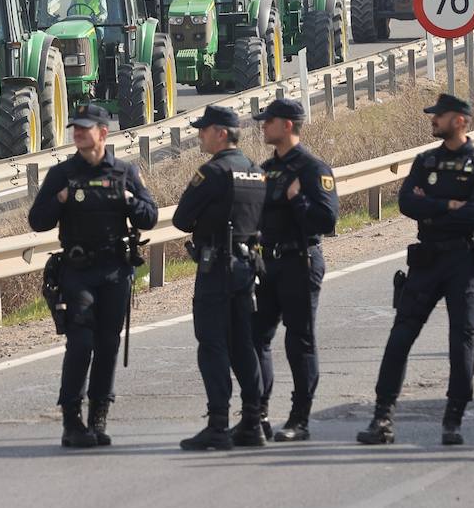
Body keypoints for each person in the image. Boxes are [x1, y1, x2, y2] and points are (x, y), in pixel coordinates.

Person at [358, 93, 474, 447]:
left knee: (461, 341)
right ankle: (382, 417)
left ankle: (453, 419)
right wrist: (448, 205)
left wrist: (431, 207)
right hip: (427, 260)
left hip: (463, 263)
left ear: (460, 121)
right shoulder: (426, 160)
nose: (433, 120)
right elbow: (407, 203)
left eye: (440, 115)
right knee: (401, 336)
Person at [28, 103, 158, 448]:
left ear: (103, 133)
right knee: (81, 342)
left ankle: (99, 416)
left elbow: (149, 217)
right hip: (77, 270)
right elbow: (37, 220)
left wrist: (130, 200)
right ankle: (72, 420)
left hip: (115, 270)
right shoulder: (62, 173)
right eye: (76, 128)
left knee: (107, 343)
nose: (78, 133)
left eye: (85, 128)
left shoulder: (124, 171)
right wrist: (59, 199)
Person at [173, 105, 266, 450]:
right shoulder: (256, 171)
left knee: (212, 345)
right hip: (247, 268)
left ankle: (218, 425)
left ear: (221, 133)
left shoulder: (212, 173)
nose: (200, 135)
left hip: (216, 269)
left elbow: (182, 219)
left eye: (205, 130)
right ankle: (253, 421)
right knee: (243, 345)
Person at [251, 98, 338, 442]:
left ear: (287, 125)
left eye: (268, 120)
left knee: (299, 340)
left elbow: (327, 220)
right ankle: (256, 415)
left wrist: (297, 199)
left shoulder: (312, 169)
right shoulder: (265, 169)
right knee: (255, 337)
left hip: (300, 261)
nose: (263, 126)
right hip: (267, 263)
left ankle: (299, 419)